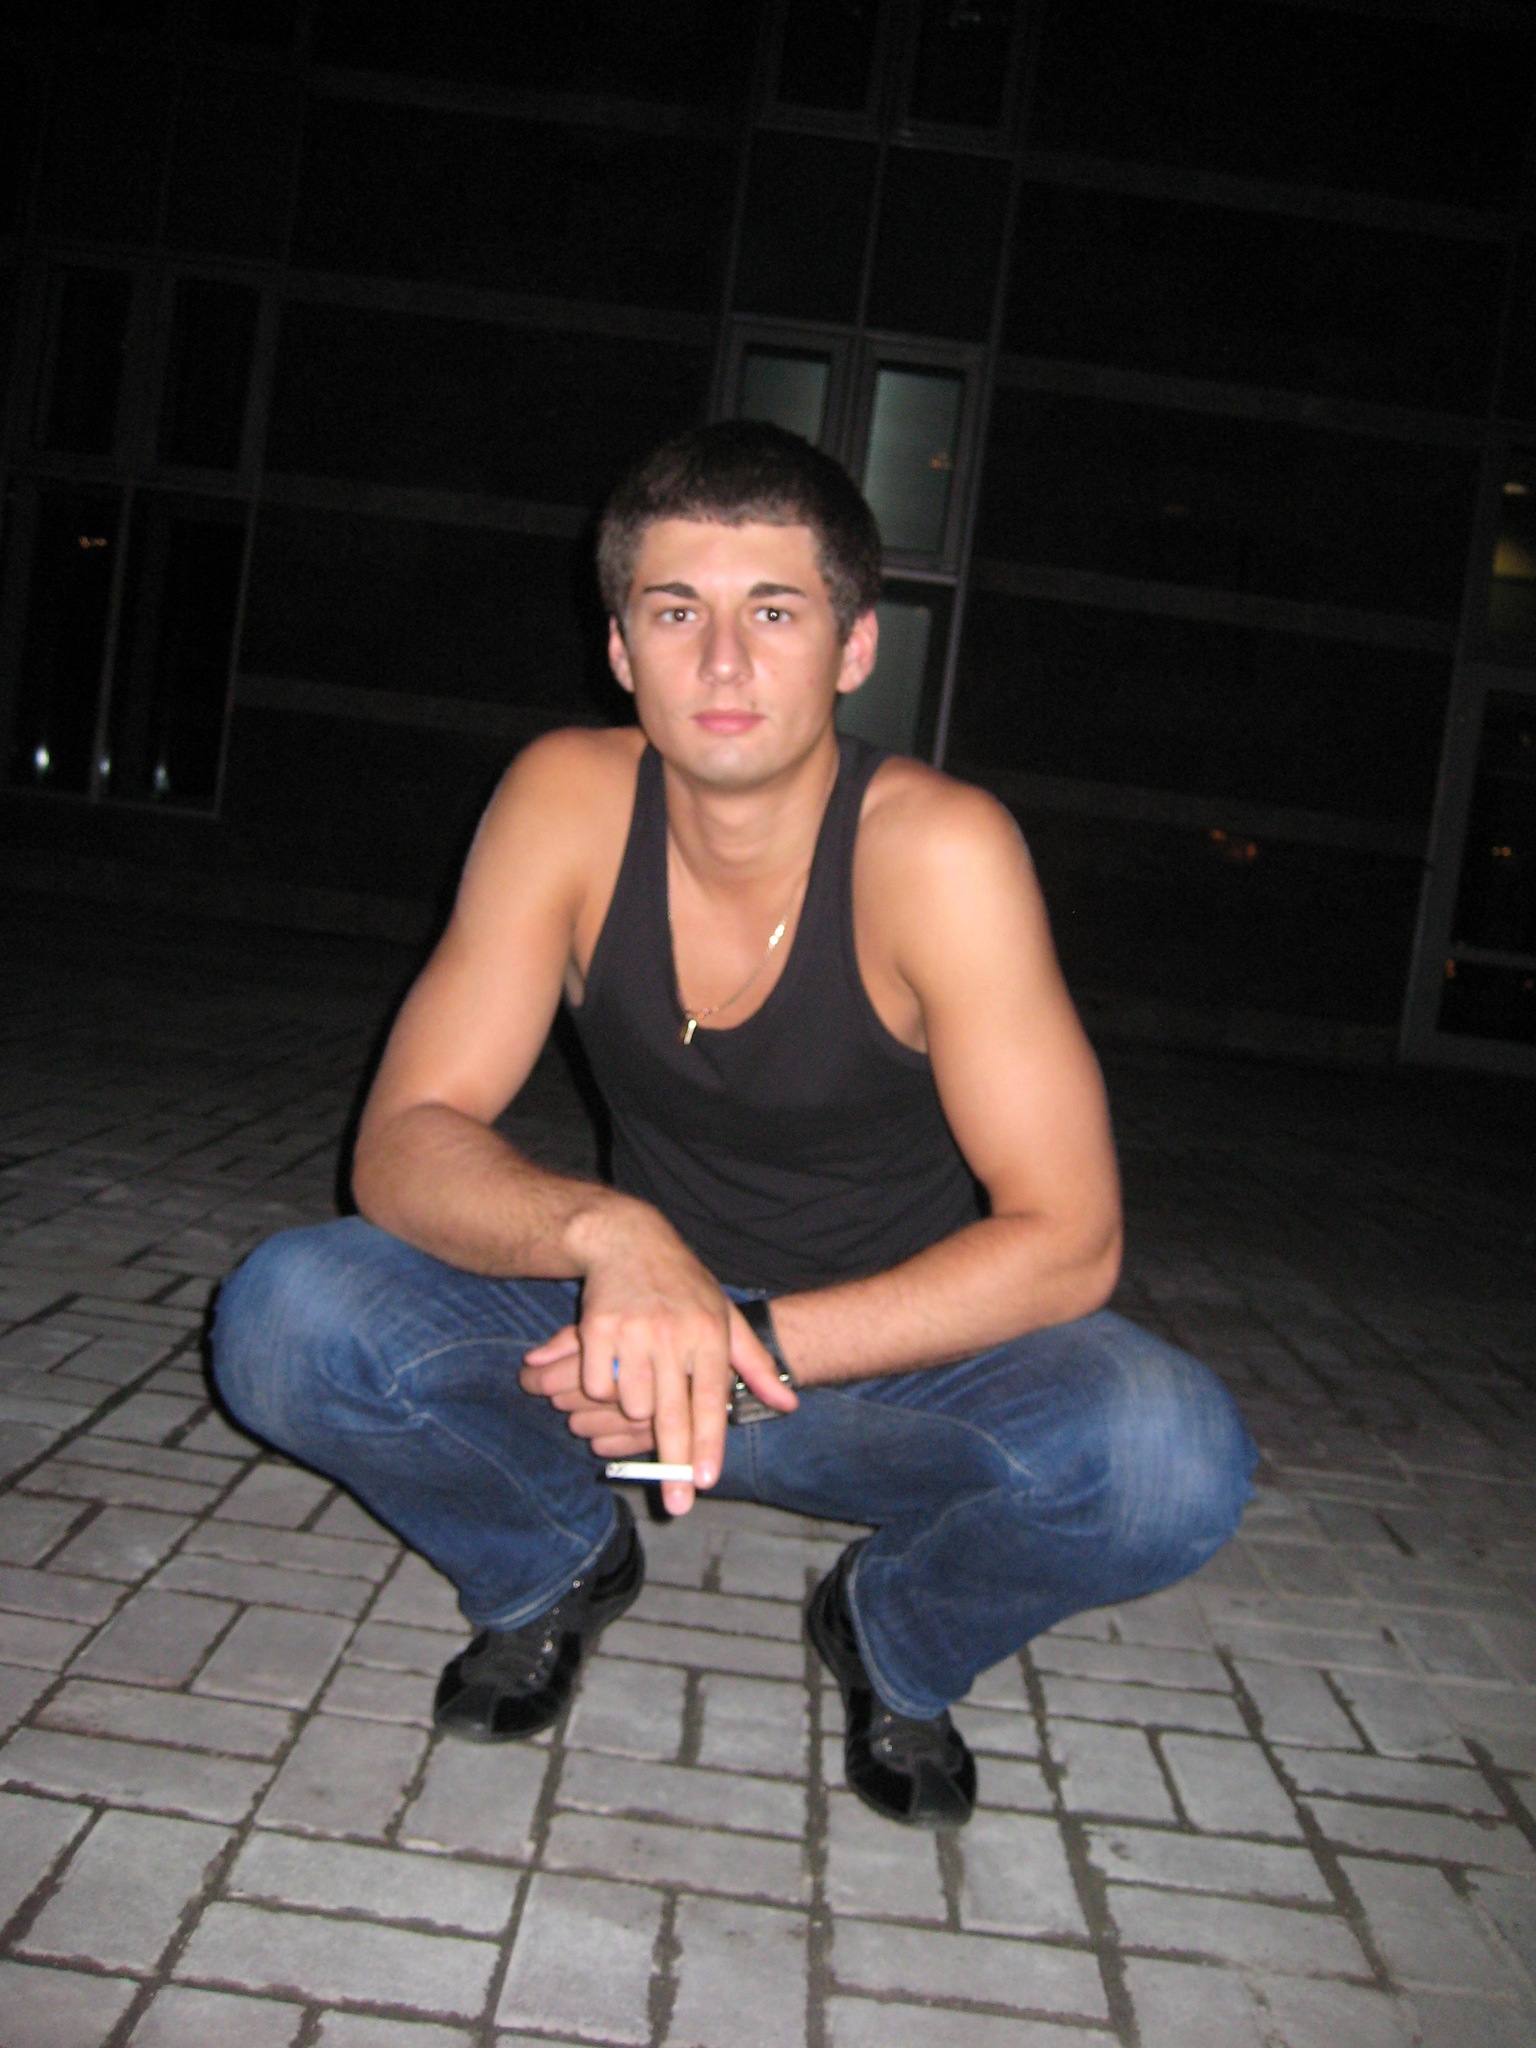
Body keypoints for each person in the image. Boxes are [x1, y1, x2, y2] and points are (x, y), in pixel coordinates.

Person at [212, 420, 1255, 1830]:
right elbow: (403, 1141)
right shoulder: (565, 801)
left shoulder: (939, 854)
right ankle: (553, 1566)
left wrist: (750, 1350)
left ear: (854, 647)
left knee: (1171, 1460)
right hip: (619, 1345)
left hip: (875, 1367)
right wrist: (611, 1235)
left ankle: (893, 1632)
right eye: (674, 612)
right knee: (288, 1315)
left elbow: (1070, 1239)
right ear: (619, 649)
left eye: (773, 612)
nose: (721, 662)